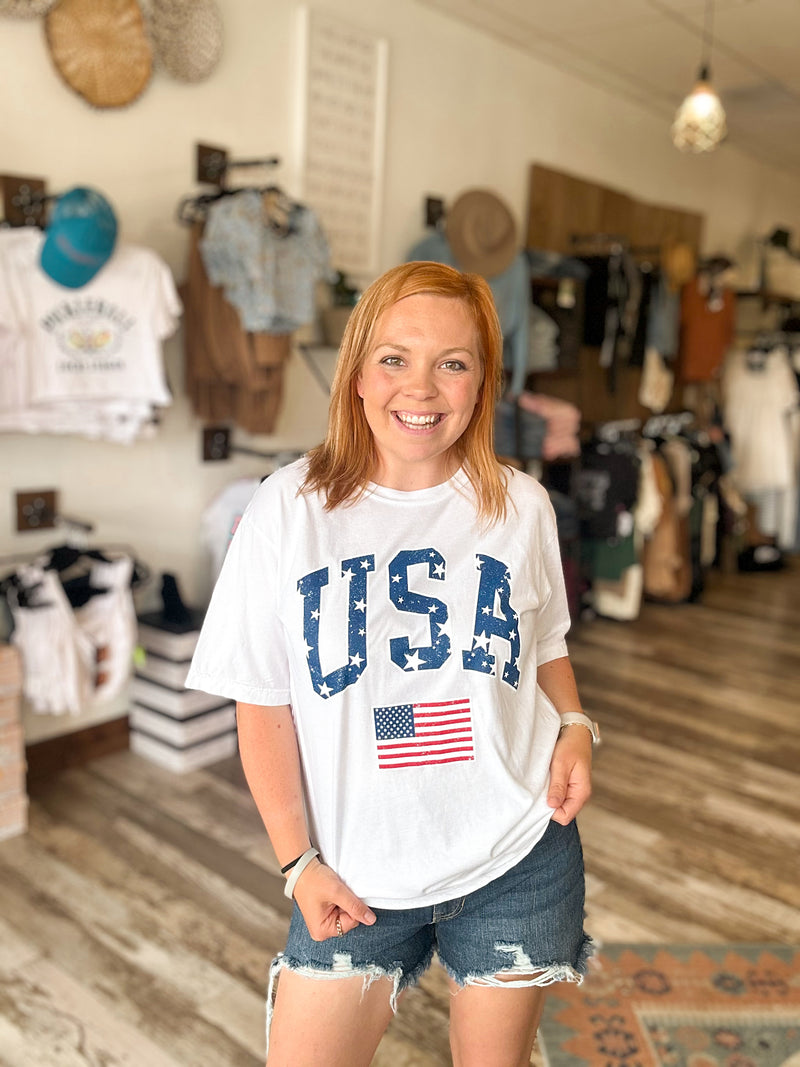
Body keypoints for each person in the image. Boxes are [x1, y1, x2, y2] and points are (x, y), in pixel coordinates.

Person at [185, 260, 597, 1067]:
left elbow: (545, 640)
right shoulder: (286, 508)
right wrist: (297, 861)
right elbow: (262, 703)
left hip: (518, 853)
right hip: (354, 875)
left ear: (482, 384)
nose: (424, 387)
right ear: (358, 374)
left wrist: (578, 724)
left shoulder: (522, 506)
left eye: (454, 362)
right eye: (395, 358)